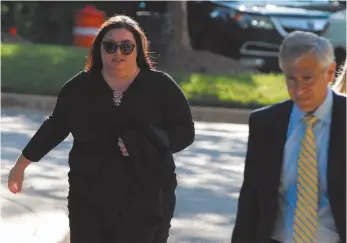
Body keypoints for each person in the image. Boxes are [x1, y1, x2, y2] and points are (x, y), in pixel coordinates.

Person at [8, 15, 195, 243]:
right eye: (110, 46)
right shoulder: (78, 88)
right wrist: (21, 166)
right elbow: (54, 128)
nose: (118, 53)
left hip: (147, 194)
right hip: (89, 193)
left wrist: (147, 143)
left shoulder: (161, 86)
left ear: (138, 49)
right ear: (99, 49)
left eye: (126, 47)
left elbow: (185, 131)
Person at [231, 31, 346, 243]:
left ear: (330, 72)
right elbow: (250, 201)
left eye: (307, 78)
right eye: (291, 79)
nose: (299, 90)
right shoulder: (266, 123)